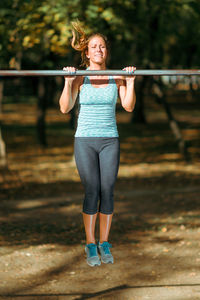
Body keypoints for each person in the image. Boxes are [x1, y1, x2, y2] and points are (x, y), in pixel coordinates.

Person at [59, 21, 136, 267]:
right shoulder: (80, 78)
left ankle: (104, 242)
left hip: (109, 140)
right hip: (85, 140)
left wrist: (131, 80)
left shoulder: (118, 77)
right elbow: (64, 108)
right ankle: (90, 244)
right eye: (94, 46)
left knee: (108, 190)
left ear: (106, 51)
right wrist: (67, 81)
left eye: (102, 46)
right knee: (92, 190)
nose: (99, 50)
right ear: (87, 52)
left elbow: (128, 106)